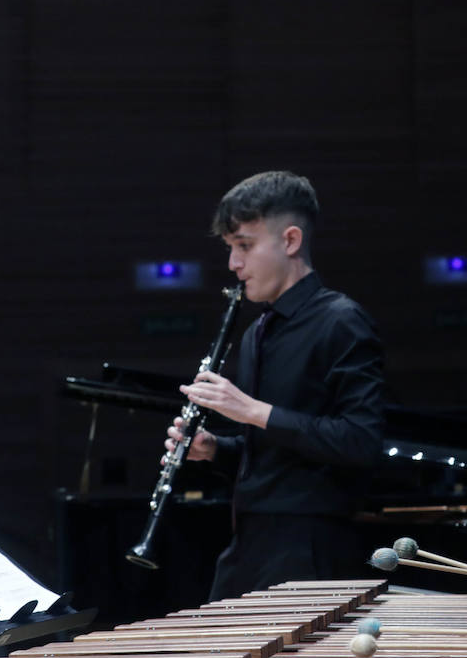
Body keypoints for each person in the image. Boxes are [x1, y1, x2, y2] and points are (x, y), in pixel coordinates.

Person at [165, 170, 386, 601]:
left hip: (310, 549)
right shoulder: (257, 332)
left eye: (244, 246)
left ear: (290, 241)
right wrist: (215, 449)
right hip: (250, 541)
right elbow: (271, 454)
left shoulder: (341, 321)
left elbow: (361, 441)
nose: (233, 263)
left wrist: (250, 411)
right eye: (230, 249)